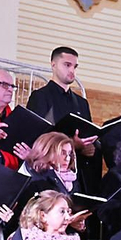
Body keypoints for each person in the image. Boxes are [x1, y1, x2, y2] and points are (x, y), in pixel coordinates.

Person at [25, 46, 99, 179]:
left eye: (75, 67)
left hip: (77, 171)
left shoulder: (81, 102)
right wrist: (72, 144)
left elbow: (88, 132)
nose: (72, 70)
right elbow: (37, 137)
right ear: (53, 65)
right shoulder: (40, 96)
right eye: (67, 65)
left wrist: (89, 146)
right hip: (49, 171)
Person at [20, 131, 89, 201]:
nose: (67, 159)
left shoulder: (71, 178)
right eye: (62, 153)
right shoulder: (36, 178)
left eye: (69, 154)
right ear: (47, 152)